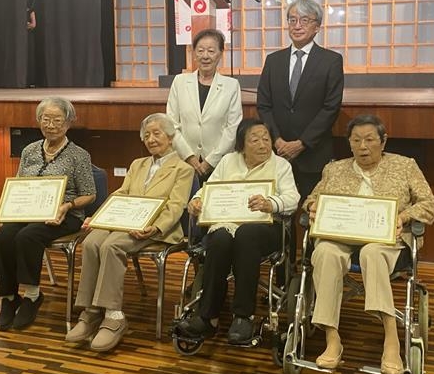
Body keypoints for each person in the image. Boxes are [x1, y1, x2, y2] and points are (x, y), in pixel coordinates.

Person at [304, 114, 434, 374]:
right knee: (324, 252)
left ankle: (391, 338)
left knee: (371, 253)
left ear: (383, 141)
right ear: (349, 144)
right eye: (356, 140)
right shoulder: (334, 169)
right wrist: (312, 206)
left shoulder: (405, 166)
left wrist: (403, 216)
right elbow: (311, 198)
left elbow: (429, 204)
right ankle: (332, 339)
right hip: (341, 237)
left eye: (369, 140)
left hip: (386, 240)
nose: (362, 146)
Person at [66, 113, 194, 352]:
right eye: (146, 135)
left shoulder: (183, 169)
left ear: (170, 137)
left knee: (111, 245)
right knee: (92, 241)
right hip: (126, 220)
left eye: (157, 133)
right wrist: (99, 217)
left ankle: (114, 316)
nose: (151, 139)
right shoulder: (138, 164)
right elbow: (121, 194)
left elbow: (177, 206)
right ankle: (91, 311)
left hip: (156, 228)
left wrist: (155, 227)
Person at [177, 118, 300, 344]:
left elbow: (293, 199)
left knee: (246, 235)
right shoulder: (228, 162)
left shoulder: (281, 165)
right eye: (255, 140)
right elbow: (208, 190)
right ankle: (207, 317)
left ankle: (243, 316)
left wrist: (270, 203)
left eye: (266, 139)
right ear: (242, 145)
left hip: (265, 228)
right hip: (225, 223)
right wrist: (195, 202)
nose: (263, 145)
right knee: (220, 239)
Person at [0, 97, 96, 331]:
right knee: (3, 236)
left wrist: (67, 206)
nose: (51, 125)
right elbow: (19, 184)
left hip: (64, 215)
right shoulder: (29, 150)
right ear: (39, 121)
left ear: (68, 123)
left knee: (28, 236)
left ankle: (32, 295)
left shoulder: (79, 155)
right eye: (45, 119)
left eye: (57, 120)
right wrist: (1, 203)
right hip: (29, 210)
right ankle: (9, 297)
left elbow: (90, 194)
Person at [257, 0, 344, 203]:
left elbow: (330, 108)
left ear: (317, 27)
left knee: (311, 212)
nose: (297, 26)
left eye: (304, 21)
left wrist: (301, 143)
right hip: (277, 153)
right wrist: (277, 140)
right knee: (275, 211)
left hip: (313, 154)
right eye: (292, 20)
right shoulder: (273, 61)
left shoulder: (331, 61)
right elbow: (264, 104)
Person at [167, 28, 242, 181]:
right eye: (200, 51)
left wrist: (210, 161)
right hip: (184, 162)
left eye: (211, 51)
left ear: (220, 53)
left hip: (219, 164)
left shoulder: (231, 85)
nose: (205, 56)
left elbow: (232, 128)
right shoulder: (180, 82)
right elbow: (172, 124)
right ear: (194, 53)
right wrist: (189, 156)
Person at [26, 5, 38, 87]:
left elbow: (33, 25)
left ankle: (30, 81)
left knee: (29, 57)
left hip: (28, 36)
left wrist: (27, 25)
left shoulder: (30, 10)